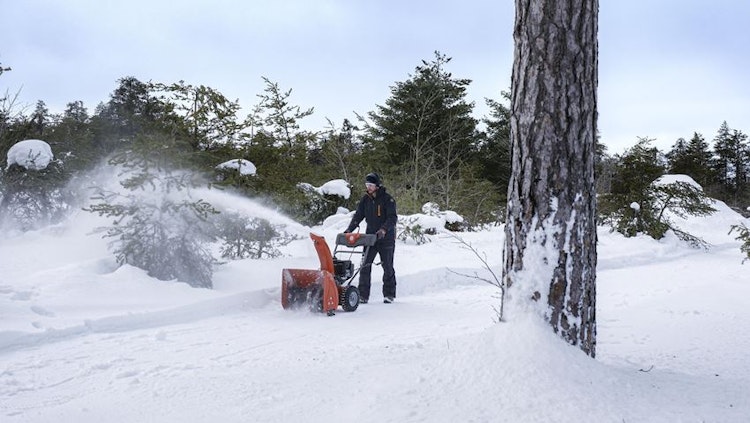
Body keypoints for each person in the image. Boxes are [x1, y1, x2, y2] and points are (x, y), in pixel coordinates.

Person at [344, 172, 398, 304]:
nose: (368, 187)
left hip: (386, 239)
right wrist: (349, 230)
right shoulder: (365, 199)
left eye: (371, 185)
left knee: (387, 266)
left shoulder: (387, 199)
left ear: (377, 185)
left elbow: (392, 218)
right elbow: (358, 216)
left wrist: (383, 229)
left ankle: (389, 294)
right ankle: (363, 295)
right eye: (367, 185)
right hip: (370, 238)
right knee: (365, 266)